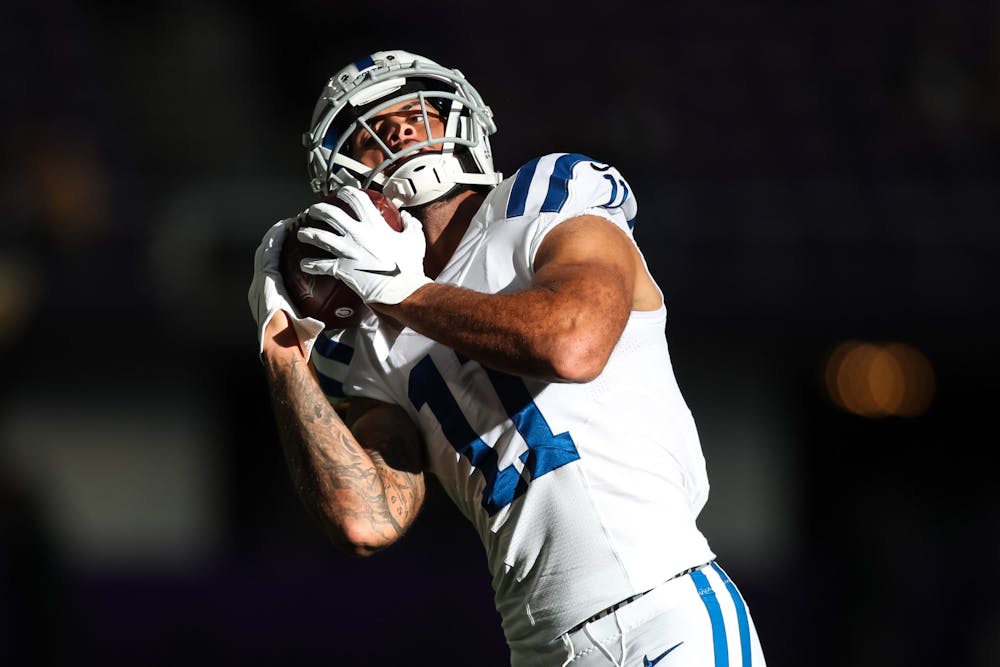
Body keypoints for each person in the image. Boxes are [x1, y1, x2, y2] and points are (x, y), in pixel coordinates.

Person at [248, 49, 767, 666]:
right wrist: (282, 351)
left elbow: (574, 345)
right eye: (370, 135)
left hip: (662, 612)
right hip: (536, 646)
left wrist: (403, 291)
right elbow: (367, 520)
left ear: (465, 121)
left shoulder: (544, 199)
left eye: (417, 112)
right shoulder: (365, 339)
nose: (400, 132)